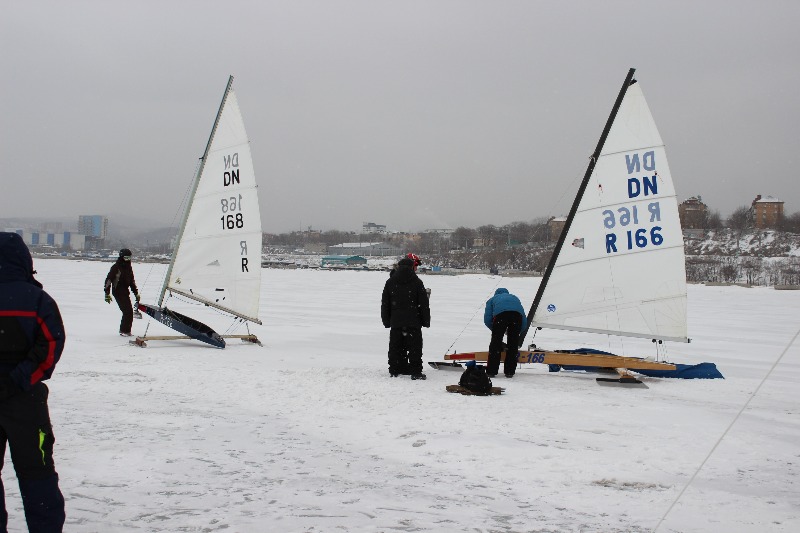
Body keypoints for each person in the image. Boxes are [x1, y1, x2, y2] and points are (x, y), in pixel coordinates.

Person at [0, 232, 66, 530]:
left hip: (22, 396)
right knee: (37, 474)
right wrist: (16, 381)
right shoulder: (37, 299)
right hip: (26, 402)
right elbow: (51, 345)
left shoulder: (35, 298)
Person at [381, 257, 430, 380]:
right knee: (415, 347)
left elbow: (385, 304)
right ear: (411, 267)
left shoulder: (390, 282)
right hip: (414, 321)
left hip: (396, 321)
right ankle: (416, 371)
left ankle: (394, 369)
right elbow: (424, 304)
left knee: (395, 346)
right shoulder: (417, 282)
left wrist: (386, 321)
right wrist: (426, 321)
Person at [484, 288, 527, 378]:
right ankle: (509, 372)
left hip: (501, 316)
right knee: (513, 345)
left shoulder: (492, 299)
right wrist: (517, 333)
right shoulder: (514, 297)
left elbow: (487, 319)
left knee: (495, 344)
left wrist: (496, 331)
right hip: (517, 317)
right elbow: (523, 319)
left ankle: (491, 371)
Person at [104, 248, 140, 337]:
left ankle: (126, 330)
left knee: (129, 312)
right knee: (127, 311)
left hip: (125, 291)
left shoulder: (129, 267)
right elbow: (108, 280)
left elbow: (132, 281)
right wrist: (107, 293)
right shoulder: (116, 267)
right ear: (121, 257)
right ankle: (124, 331)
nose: (128, 260)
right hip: (118, 292)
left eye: (129, 258)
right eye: (126, 258)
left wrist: (136, 293)